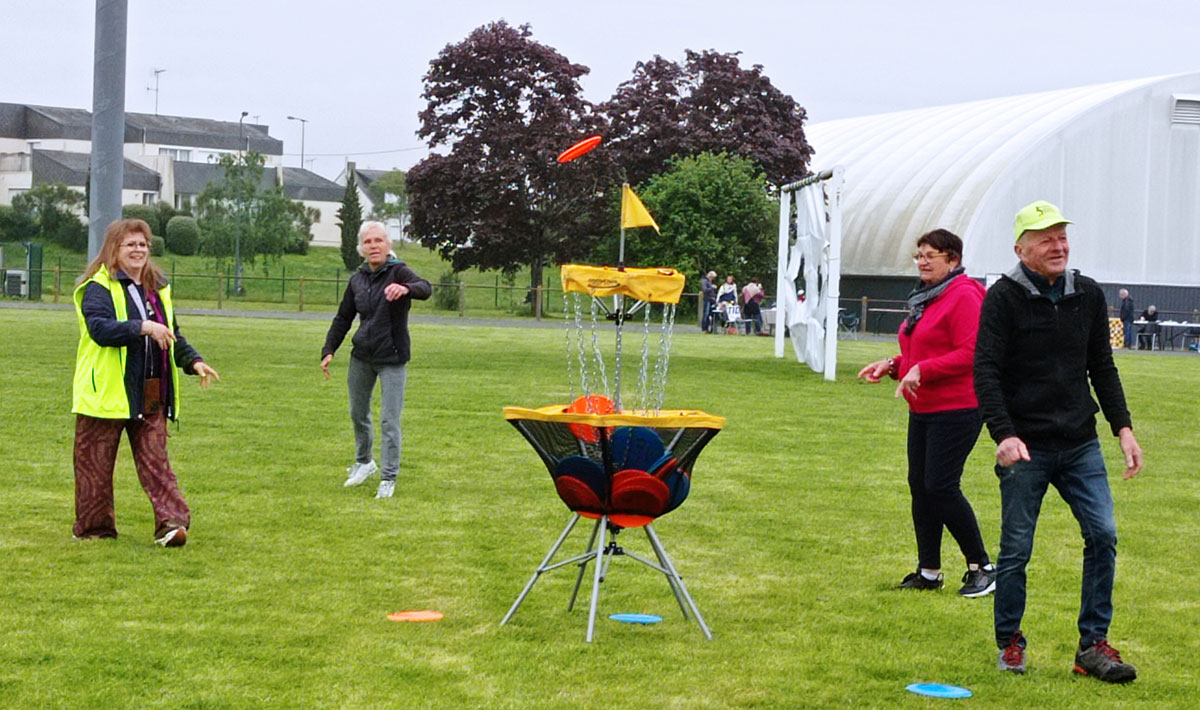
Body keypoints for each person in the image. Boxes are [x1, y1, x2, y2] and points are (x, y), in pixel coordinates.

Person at [975, 200, 1143, 682]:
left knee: (1103, 534)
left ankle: (1092, 647)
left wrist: (1123, 429)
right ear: (1021, 248)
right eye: (1046, 238)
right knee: (1016, 550)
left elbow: (1102, 368)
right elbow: (985, 370)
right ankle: (1009, 641)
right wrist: (1003, 435)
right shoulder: (1003, 298)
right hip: (1025, 446)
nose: (1059, 245)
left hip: (1079, 443)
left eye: (1062, 236)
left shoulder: (1087, 294)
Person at [858, 229, 996, 597]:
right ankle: (929, 571)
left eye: (929, 255)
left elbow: (973, 352)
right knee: (920, 486)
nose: (921, 261)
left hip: (959, 406)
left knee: (940, 485)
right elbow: (921, 352)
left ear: (952, 260)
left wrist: (924, 370)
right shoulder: (928, 297)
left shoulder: (964, 294)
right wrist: (894, 364)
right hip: (924, 406)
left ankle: (982, 566)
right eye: (918, 254)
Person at [71, 218, 220, 547]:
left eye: (143, 244)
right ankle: (95, 529)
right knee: (94, 466)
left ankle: (171, 526)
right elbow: (100, 330)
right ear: (114, 249)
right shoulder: (97, 287)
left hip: (152, 389)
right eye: (130, 244)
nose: (138, 250)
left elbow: (172, 333)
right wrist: (141, 327)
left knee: (157, 463)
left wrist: (193, 361)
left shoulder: (157, 287)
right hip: (106, 394)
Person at [321, 221, 431, 498]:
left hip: (392, 358)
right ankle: (364, 463)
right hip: (362, 357)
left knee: (389, 420)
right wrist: (329, 349)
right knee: (358, 414)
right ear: (361, 249)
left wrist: (405, 289)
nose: (374, 246)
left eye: (379, 241)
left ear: (388, 245)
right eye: (368, 242)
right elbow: (343, 317)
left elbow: (425, 287)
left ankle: (389, 477)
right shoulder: (357, 280)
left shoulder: (399, 272)